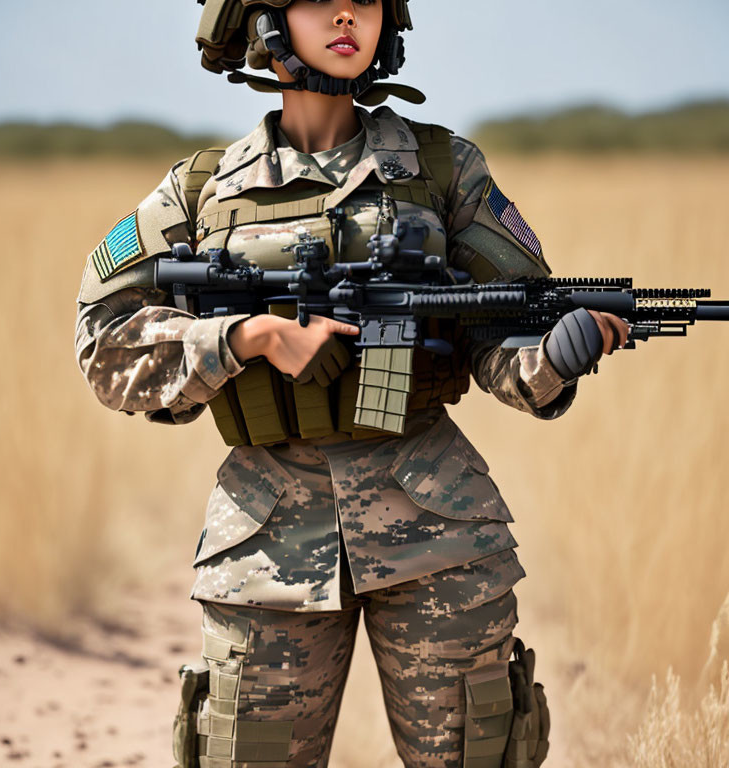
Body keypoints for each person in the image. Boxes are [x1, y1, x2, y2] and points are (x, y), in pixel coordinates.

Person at [75, 1, 630, 766]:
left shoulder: (443, 169)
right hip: (266, 545)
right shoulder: (201, 189)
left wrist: (556, 356)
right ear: (266, 24)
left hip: (438, 531)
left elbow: (504, 335)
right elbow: (105, 345)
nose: (347, 13)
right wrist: (247, 337)